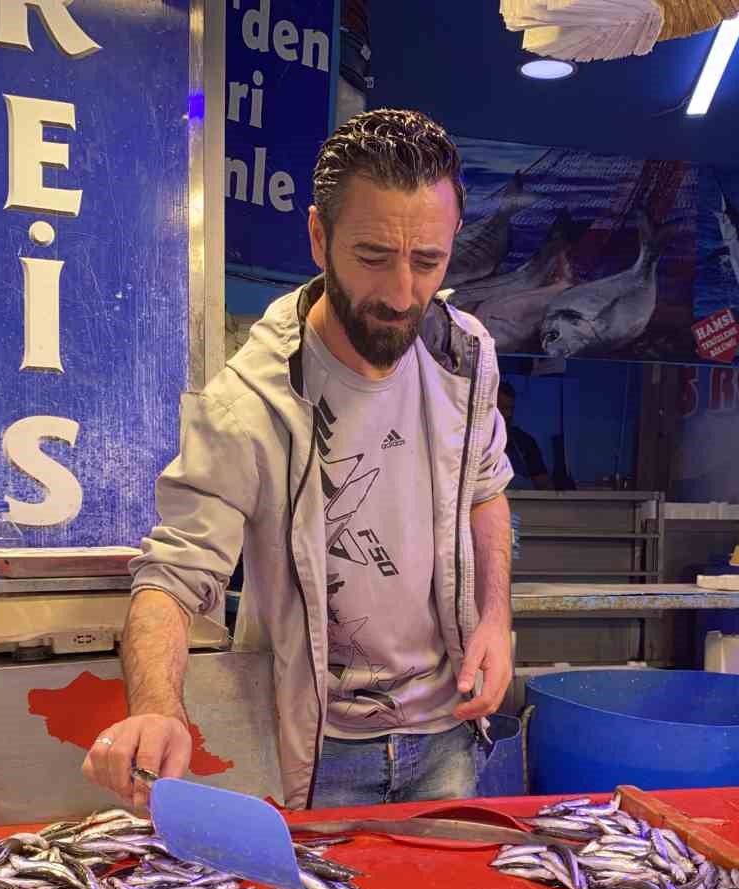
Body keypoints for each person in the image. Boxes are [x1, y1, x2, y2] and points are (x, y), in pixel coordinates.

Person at [84, 108, 515, 810]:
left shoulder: (466, 358)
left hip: (451, 733)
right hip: (318, 748)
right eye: (374, 257)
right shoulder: (247, 403)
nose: (403, 294)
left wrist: (496, 618)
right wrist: (158, 706)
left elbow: (486, 491)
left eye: (427, 261)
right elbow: (172, 574)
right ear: (319, 236)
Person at [498, 381, 552, 489]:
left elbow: (543, 483)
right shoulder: (475, 441)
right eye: (503, 408)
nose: (508, 414)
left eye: (511, 409)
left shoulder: (525, 442)